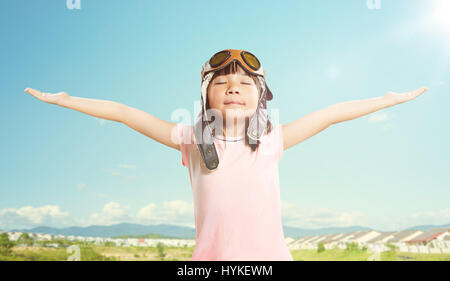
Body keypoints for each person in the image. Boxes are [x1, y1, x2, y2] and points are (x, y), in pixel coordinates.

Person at [23, 49, 429, 261]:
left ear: (261, 99)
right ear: (206, 97)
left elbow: (332, 114)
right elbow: (127, 114)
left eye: (245, 84)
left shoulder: (273, 141)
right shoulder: (190, 140)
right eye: (222, 82)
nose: (234, 88)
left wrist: (385, 100)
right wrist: (68, 100)